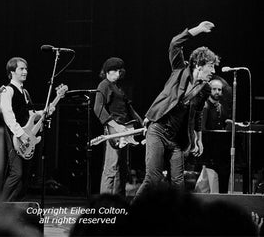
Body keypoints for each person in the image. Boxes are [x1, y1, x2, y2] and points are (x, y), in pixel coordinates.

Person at [135, 21, 220, 197]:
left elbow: (197, 115)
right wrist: (198, 29)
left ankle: (176, 221)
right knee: (153, 178)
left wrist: (199, 139)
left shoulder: (204, 89)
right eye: (210, 66)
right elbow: (175, 43)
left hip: (177, 139)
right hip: (158, 129)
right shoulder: (180, 70)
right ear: (199, 65)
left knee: (178, 183)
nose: (213, 70)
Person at [0, 57, 54, 201]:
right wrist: (20, 134)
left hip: (26, 138)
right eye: (21, 69)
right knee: (16, 173)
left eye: (26, 69)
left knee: (25, 177)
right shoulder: (7, 91)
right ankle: (0, 205)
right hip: (14, 137)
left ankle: (13, 207)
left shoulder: (25, 93)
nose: (25, 71)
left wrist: (46, 111)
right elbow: (8, 116)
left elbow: (31, 115)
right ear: (12, 72)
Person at [94, 57, 142, 197]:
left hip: (125, 130)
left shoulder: (119, 88)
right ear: (107, 72)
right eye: (114, 70)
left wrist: (142, 121)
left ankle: (119, 202)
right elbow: (98, 109)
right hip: (114, 130)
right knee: (111, 167)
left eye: (119, 71)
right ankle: (104, 204)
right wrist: (115, 125)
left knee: (122, 168)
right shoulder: (104, 85)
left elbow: (129, 108)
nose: (117, 73)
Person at [202, 78, 231, 193]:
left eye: (219, 89)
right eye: (214, 89)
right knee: (210, 182)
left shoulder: (222, 107)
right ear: (210, 90)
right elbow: (203, 129)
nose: (217, 92)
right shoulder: (205, 106)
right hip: (209, 150)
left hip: (220, 150)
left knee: (210, 183)